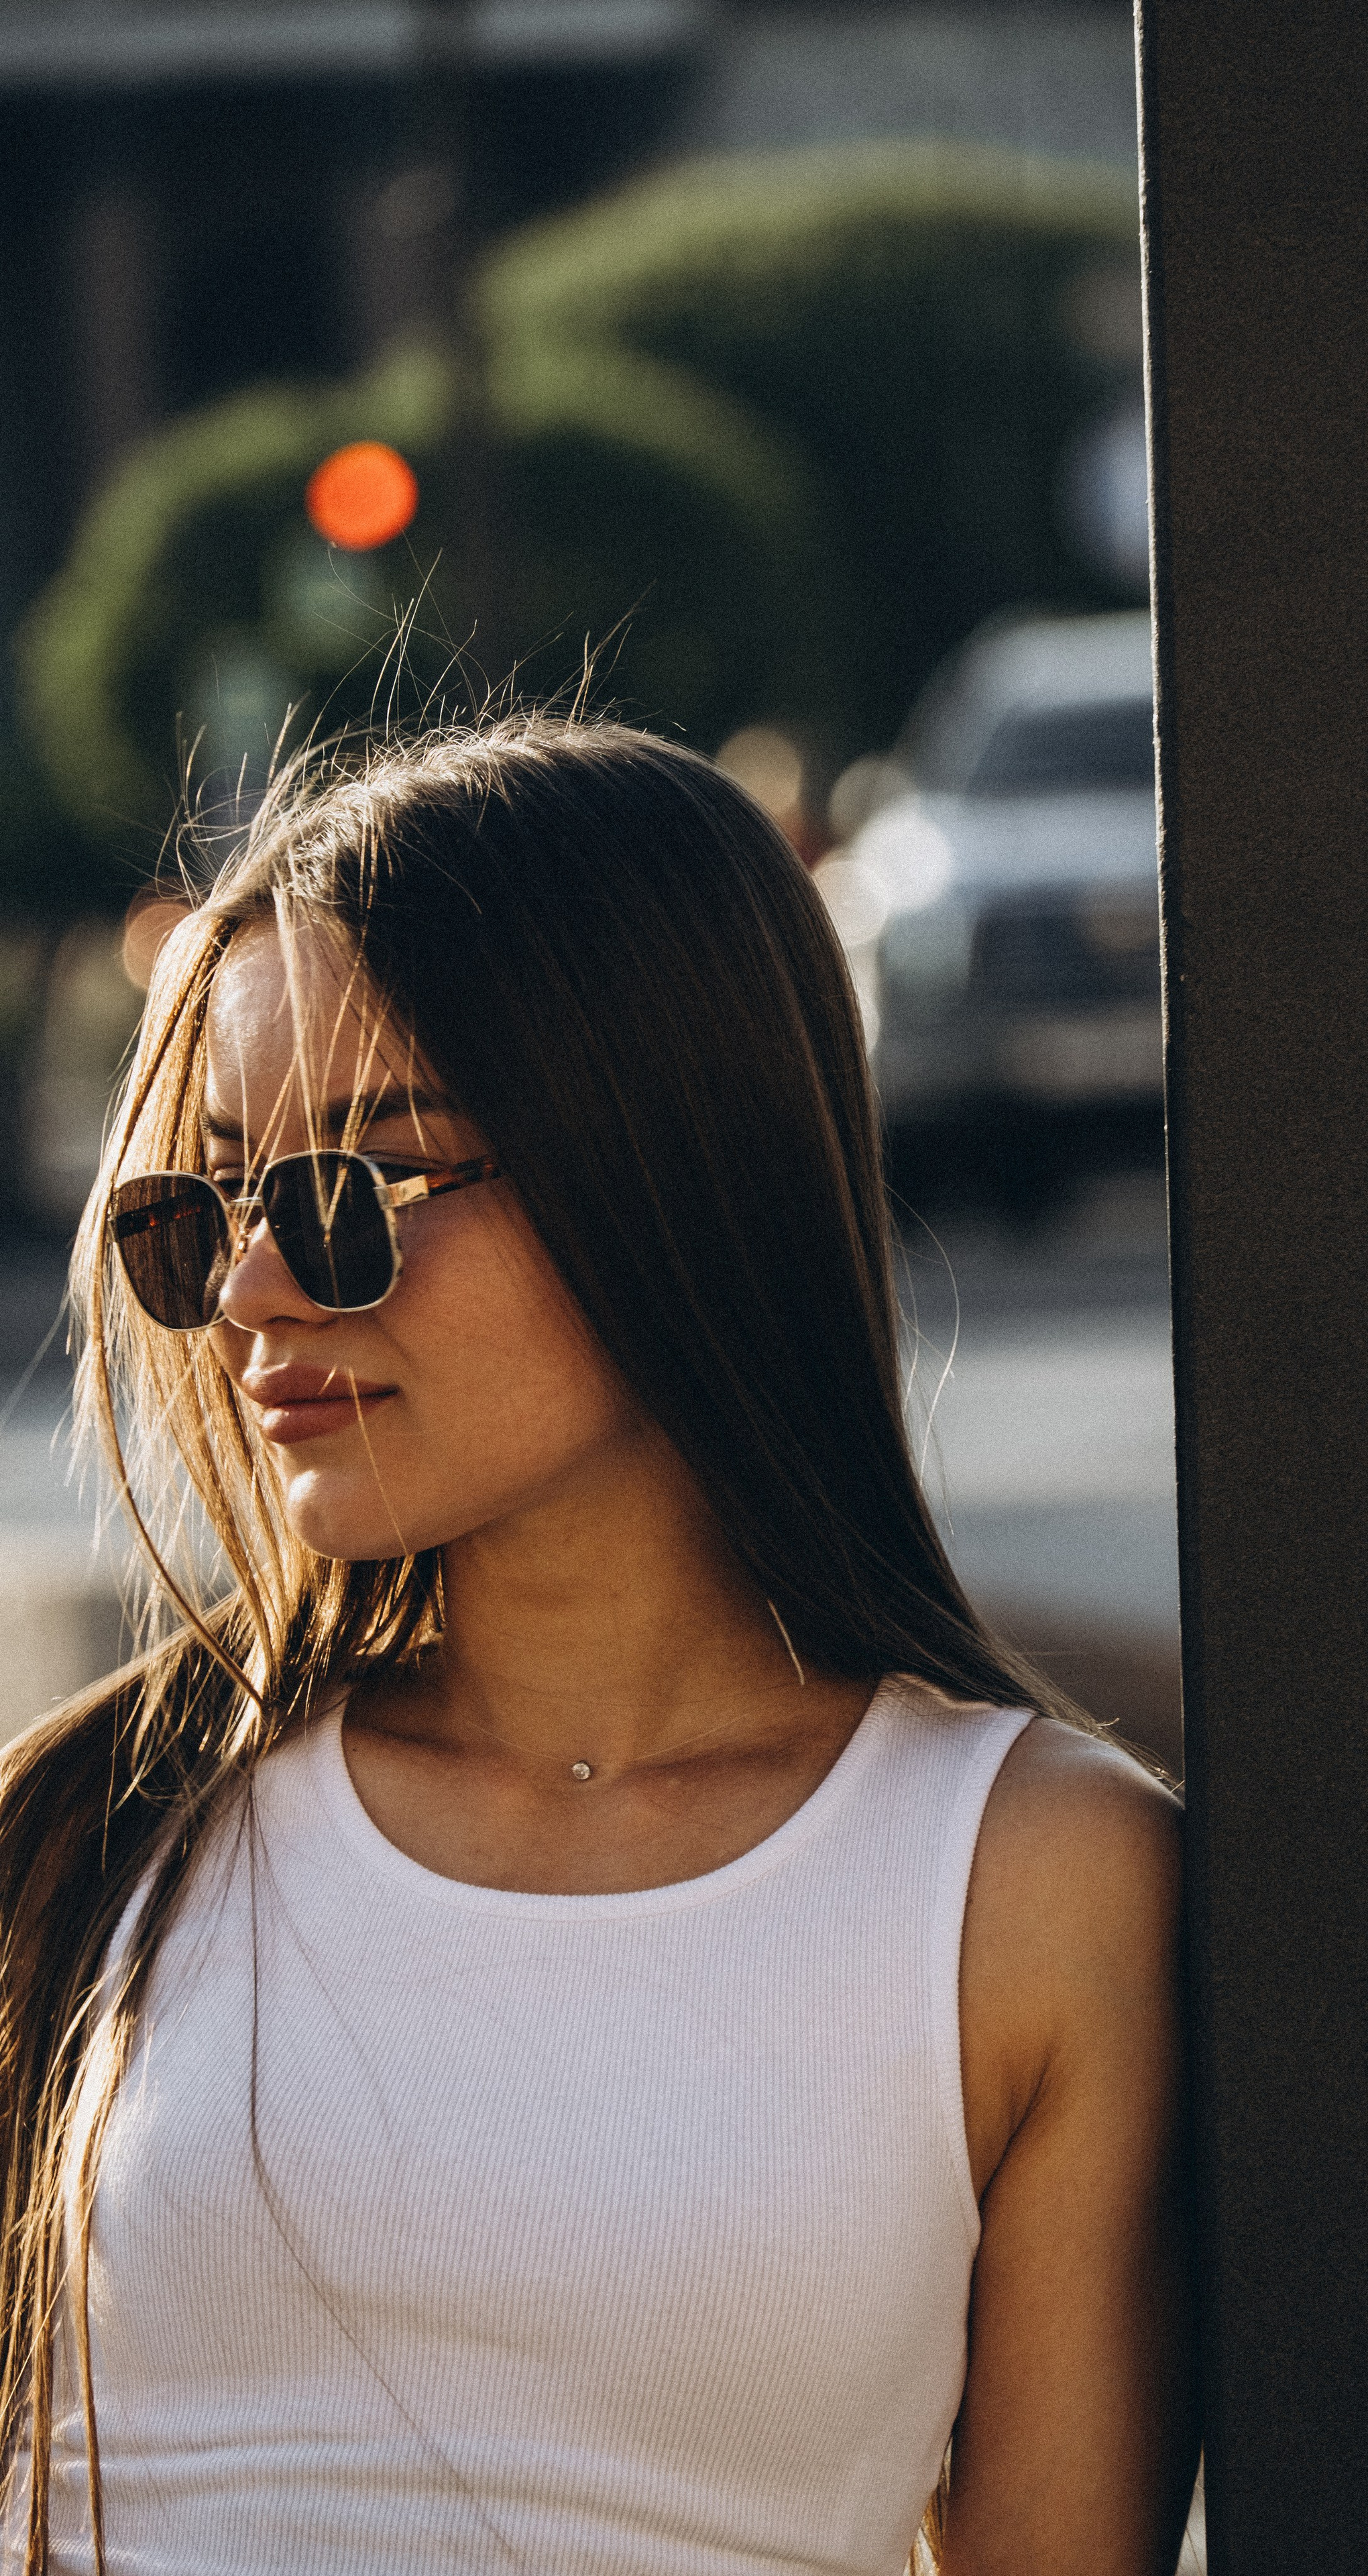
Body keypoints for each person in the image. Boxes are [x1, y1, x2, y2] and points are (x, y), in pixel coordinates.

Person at [0, 715, 1194, 2575]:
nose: (244, 1294)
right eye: (206, 1207)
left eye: (354, 1196)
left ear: (666, 1170)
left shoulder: (1030, 1886)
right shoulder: (97, 1830)